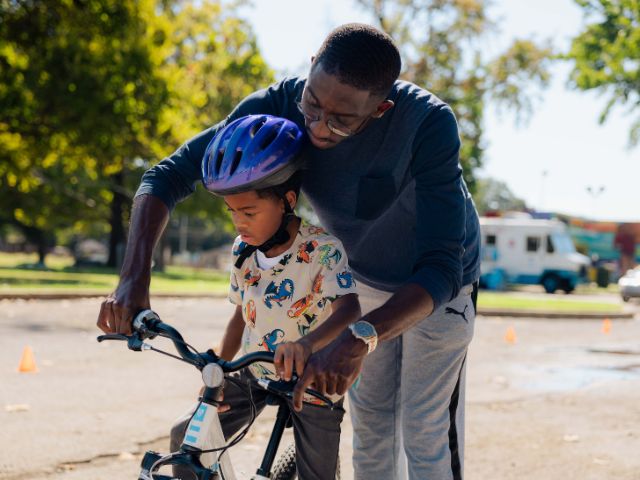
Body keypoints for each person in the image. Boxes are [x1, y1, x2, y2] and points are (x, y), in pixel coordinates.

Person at [98, 23, 481, 480]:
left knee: (425, 428)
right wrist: (133, 280)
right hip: (364, 278)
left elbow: (440, 267)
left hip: (436, 289)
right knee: (373, 423)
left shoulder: (428, 123)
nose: (319, 126)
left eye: (341, 120)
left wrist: (361, 336)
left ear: (380, 109)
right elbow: (166, 176)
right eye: (313, 107)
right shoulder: (278, 105)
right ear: (310, 70)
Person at [169, 114, 360, 479]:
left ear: (287, 200)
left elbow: (349, 309)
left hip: (313, 377)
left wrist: (306, 345)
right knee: (186, 438)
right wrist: (219, 366)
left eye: (249, 212)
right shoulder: (243, 250)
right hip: (254, 370)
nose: (239, 223)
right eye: (232, 213)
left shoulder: (322, 249)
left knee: (316, 475)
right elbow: (242, 312)